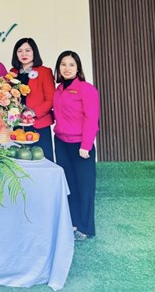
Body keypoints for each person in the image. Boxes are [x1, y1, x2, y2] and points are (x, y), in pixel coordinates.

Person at [53, 50, 99, 240]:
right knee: (69, 185)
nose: (67, 68)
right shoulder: (58, 89)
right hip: (61, 143)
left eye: (71, 64)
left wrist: (86, 145)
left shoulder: (86, 89)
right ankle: (73, 224)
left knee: (84, 188)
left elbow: (91, 118)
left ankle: (86, 229)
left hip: (80, 145)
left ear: (78, 68)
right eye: (63, 64)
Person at [10, 38, 55, 161]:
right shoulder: (12, 73)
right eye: (20, 51)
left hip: (39, 124)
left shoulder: (44, 71)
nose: (24, 54)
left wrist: (33, 113)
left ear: (34, 52)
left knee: (42, 161)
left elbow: (51, 99)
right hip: (19, 124)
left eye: (28, 50)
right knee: (20, 161)